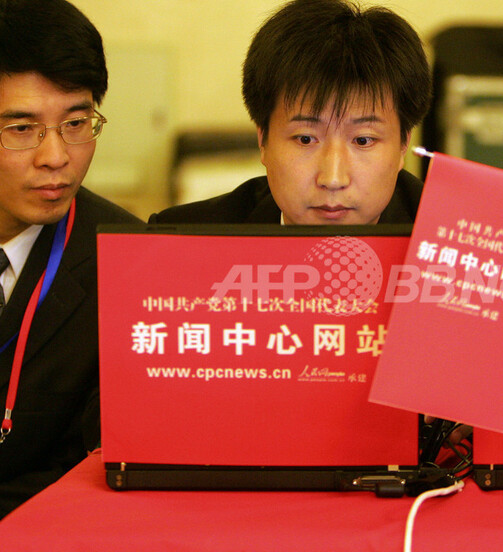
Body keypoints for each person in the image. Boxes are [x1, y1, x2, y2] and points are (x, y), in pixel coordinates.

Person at [0, 0, 141, 517]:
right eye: (21, 129)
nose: (57, 156)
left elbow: (95, 468)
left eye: (77, 123)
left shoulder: (125, 260)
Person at [151, 0, 432, 225]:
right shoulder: (186, 241)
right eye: (305, 139)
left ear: (403, 145)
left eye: (362, 140)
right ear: (263, 139)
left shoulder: (448, 242)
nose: (333, 179)